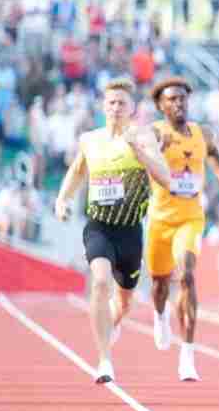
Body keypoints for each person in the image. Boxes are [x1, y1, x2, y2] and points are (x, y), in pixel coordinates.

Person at [54, 78, 171, 383]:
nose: (116, 107)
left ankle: (113, 321)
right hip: (99, 227)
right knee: (100, 283)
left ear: (132, 108)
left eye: (122, 103)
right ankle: (104, 359)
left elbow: (165, 179)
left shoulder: (144, 137)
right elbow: (77, 170)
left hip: (130, 231)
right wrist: (63, 199)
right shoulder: (90, 140)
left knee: (124, 302)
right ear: (103, 106)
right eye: (111, 102)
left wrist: (139, 152)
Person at [145, 77, 219, 381]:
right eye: (171, 99)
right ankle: (159, 315)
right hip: (160, 220)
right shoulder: (156, 133)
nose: (178, 103)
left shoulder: (202, 133)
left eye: (182, 98)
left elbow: (214, 155)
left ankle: (187, 353)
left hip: (190, 218)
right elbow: (144, 153)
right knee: (159, 285)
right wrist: (155, 149)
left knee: (185, 275)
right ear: (161, 105)